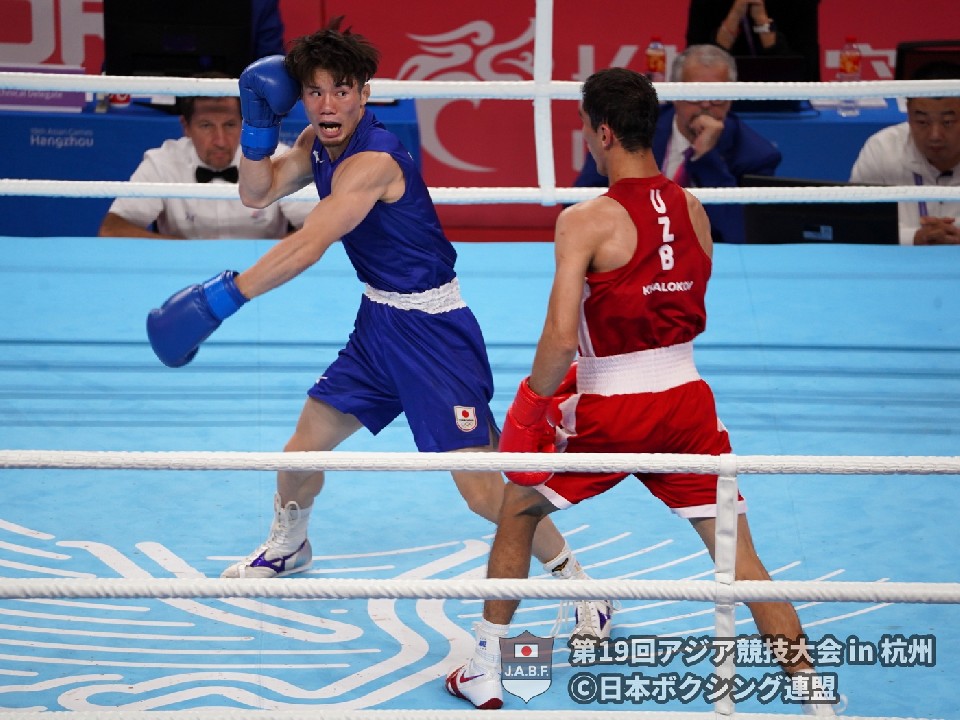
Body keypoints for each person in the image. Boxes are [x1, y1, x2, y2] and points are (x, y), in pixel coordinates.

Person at [145, 18, 614, 640]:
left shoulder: (374, 160)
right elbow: (256, 196)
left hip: (435, 334)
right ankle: (290, 546)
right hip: (379, 320)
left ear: (365, 94)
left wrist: (221, 301)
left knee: (480, 491)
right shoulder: (316, 140)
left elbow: (310, 242)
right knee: (303, 446)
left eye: (342, 90)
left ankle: (583, 587)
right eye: (316, 92)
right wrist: (258, 131)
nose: (329, 104)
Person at [446, 67, 840, 717]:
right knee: (742, 560)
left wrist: (531, 405)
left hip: (613, 407)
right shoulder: (691, 207)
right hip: (687, 401)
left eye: (585, 130)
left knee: (517, 508)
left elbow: (560, 339)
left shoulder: (586, 221)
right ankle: (817, 698)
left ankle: (488, 669)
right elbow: (684, 297)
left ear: (603, 131)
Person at [575, 45, 781, 244]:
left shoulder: (757, 154)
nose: (706, 105)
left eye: (717, 96)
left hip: (706, 259)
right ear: (674, 93)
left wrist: (706, 158)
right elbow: (578, 204)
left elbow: (742, 233)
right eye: (696, 94)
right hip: (631, 247)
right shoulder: (632, 127)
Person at [99, 80, 311, 240]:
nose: (220, 141)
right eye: (206, 126)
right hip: (183, 272)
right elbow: (112, 230)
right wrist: (195, 255)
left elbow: (322, 225)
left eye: (229, 125)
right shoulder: (163, 162)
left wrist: (270, 259)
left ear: (245, 124)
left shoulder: (276, 157)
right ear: (186, 127)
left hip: (266, 274)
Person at [850, 60, 960, 246]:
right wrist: (914, 238)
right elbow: (856, 226)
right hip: (896, 267)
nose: (935, 135)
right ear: (908, 112)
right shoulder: (882, 148)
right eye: (922, 122)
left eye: (947, 122)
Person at [685, 0, 821, 82]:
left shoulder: (801, 4)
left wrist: (763, 24)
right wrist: (734, 18)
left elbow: (806, 73)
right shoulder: (705, 4)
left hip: (786, 104)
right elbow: (693, 71)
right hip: (717, 103)